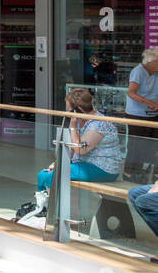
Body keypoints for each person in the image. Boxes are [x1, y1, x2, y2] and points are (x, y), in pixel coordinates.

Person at [35, 89, 122, 192]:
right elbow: (71, 146)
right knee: (42, 174)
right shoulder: (79, 120)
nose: (67, 111)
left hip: (102, 169)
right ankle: (41, 205)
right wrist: (58, 163)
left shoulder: (98, 123)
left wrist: (72, 127)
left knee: (52, 176)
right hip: (82, 165)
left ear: (78, 109)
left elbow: (80, 150)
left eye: (69, 108)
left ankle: (51, 207)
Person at [124, 48, 158, 181]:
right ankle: (129, 173)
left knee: (154, 145)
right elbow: (131, 92)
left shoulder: (155, 73)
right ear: (152, 62)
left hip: (153, 113)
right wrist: (148, 102)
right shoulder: (138, 71)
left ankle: (154, 173)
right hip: (137, 114)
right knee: (136, 145)